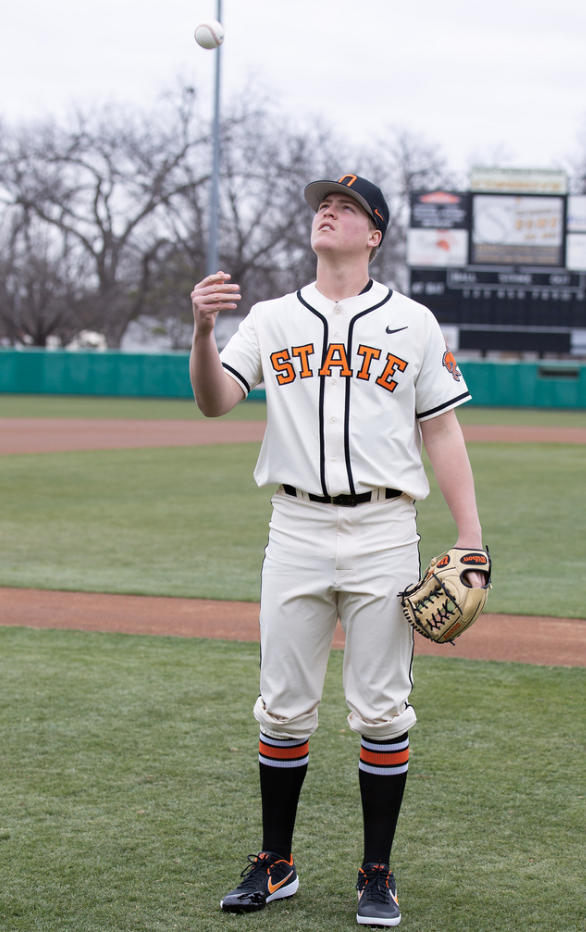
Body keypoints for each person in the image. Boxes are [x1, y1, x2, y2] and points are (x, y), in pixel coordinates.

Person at [189, 174, 487, 928]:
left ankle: (377, 872)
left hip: (385, 530)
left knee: (382, 711)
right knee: (284, 708)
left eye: (347, 207)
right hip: (294, 527)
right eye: (324, 204)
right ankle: (275, 863)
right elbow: (214, 399)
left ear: (373, 234)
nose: (328, 211)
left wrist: (471, 536)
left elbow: (443, 430)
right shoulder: (271, 317)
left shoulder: (414, 323)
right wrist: (200, 334)